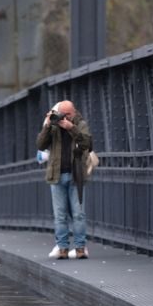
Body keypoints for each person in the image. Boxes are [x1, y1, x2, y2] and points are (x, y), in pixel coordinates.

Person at [35, 99, 93, 259]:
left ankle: (80, 248)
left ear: (73, 112)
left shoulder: (80, 124)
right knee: (60, 215)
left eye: (68, 114)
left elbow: (87, 143)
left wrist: (72, 128)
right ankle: (63, 248)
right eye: (62, 114)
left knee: (78, 214)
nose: (64, 118)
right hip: (57, 175)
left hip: (76, 175)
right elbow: (40, 145)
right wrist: (47, 125)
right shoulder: (53, 126)